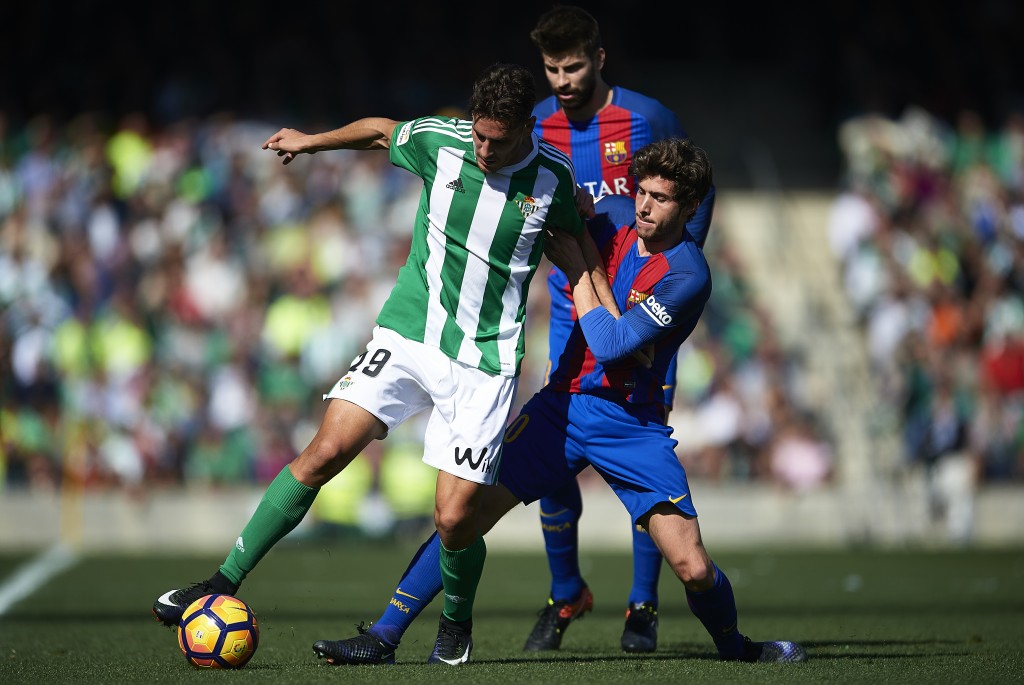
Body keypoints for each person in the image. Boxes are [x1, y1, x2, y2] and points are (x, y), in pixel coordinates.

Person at [150, 63, 587, 663]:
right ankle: (220, 582)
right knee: (323, 452)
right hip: (409, 333)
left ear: (526, 130)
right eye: (480, 135)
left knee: (455, 519)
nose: (485, 150)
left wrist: (610, 315)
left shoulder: (553, 179)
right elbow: (382, 131)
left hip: (484, 361)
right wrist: (310, 142)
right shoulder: (442, 142)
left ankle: (455, 626)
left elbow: (581, 243)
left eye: (499, 140)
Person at [312, 137, 807, 666]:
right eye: (641, 191)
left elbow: (611, 346)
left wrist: (580, 271)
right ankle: (384, 636)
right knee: (462, 517)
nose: (643, 206)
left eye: (660, 198)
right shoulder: (613, 216)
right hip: (561, 408)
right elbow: (542, 214)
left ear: (689, 206)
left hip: (630, 423)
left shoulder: (689, 274)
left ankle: (738, 650)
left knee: (693, 567)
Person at [526, 4, 717, 654]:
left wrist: (675, 264)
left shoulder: (647, 117)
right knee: (553, 457)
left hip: (639, 317)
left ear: (599, 59)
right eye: (552, 69)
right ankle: (565, 590)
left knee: (639, 453)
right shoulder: (538, 124)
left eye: (574, 66)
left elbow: (698, 184)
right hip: (571, 310)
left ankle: (643, 604)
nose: (563, 80)